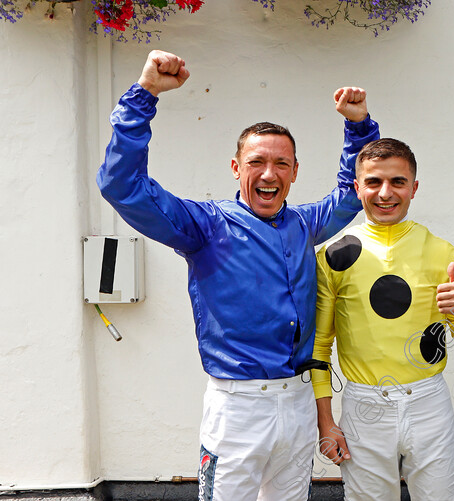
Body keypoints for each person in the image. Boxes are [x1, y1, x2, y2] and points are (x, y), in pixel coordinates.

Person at [97, 50, 379, 501]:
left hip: (299, 401)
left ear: (294, 173)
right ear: (236, 168)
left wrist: (359, 126)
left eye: (281, 164)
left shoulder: (304, 223)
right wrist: (144, 94)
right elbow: (122, 186)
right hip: (238, 408)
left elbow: (351, 194)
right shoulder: (205, 225)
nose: (269, 174)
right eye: (256, 163)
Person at [311, 138, 454, 500]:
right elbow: (319, 345)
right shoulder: (332, 255)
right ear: (357, 186)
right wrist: (325, 421)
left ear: (414, 188)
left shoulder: (442, 252)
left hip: (428, 404)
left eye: (398, 182)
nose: (385, 193)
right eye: (374, 182)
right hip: (364, 407)